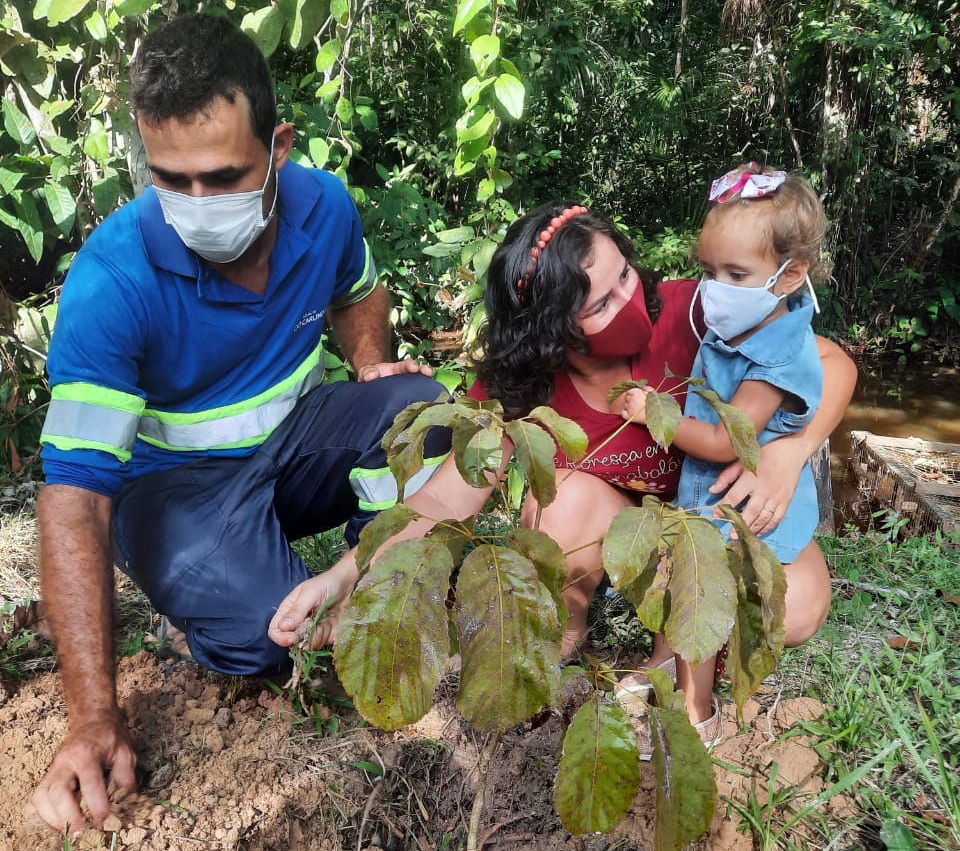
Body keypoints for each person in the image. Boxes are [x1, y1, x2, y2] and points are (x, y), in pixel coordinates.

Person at [31, 13, 445, 834]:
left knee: (421, 412)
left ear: (278, 148)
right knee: (270, 636)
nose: (196, 204)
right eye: (171, 179)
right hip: (174, 494)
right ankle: (207, 617)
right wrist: (93, 718)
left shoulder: (324, 210)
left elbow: (359, 291)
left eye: (222, 177)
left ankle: (381, 582)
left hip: (292, 451)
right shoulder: (113, 281)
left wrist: (370, 362)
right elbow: (74, 499)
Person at [269, 202, 856, 714]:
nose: (630, 300)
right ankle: (559, 633)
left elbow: (833, 363)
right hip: (615, 534)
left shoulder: (696, 314)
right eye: (601, 304)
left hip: (710, 526)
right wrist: (344, 576)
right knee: (564, 498)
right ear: (554, 328)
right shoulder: (524, 387)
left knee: (798, 607)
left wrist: (790, 452)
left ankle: (680, 643)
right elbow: (446, 498)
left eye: (625, 275)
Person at [621, 164, 830, 741]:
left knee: (703, 589)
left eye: (736, 274)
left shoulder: (775, 356)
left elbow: (722, 441)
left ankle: (697, 713)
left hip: (738, 504)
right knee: (684, 577)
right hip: (711, 496)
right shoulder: (742, 322)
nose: (715, 288)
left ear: (790, 276)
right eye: (709, 271)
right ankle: (665, 663)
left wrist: (653, 412)